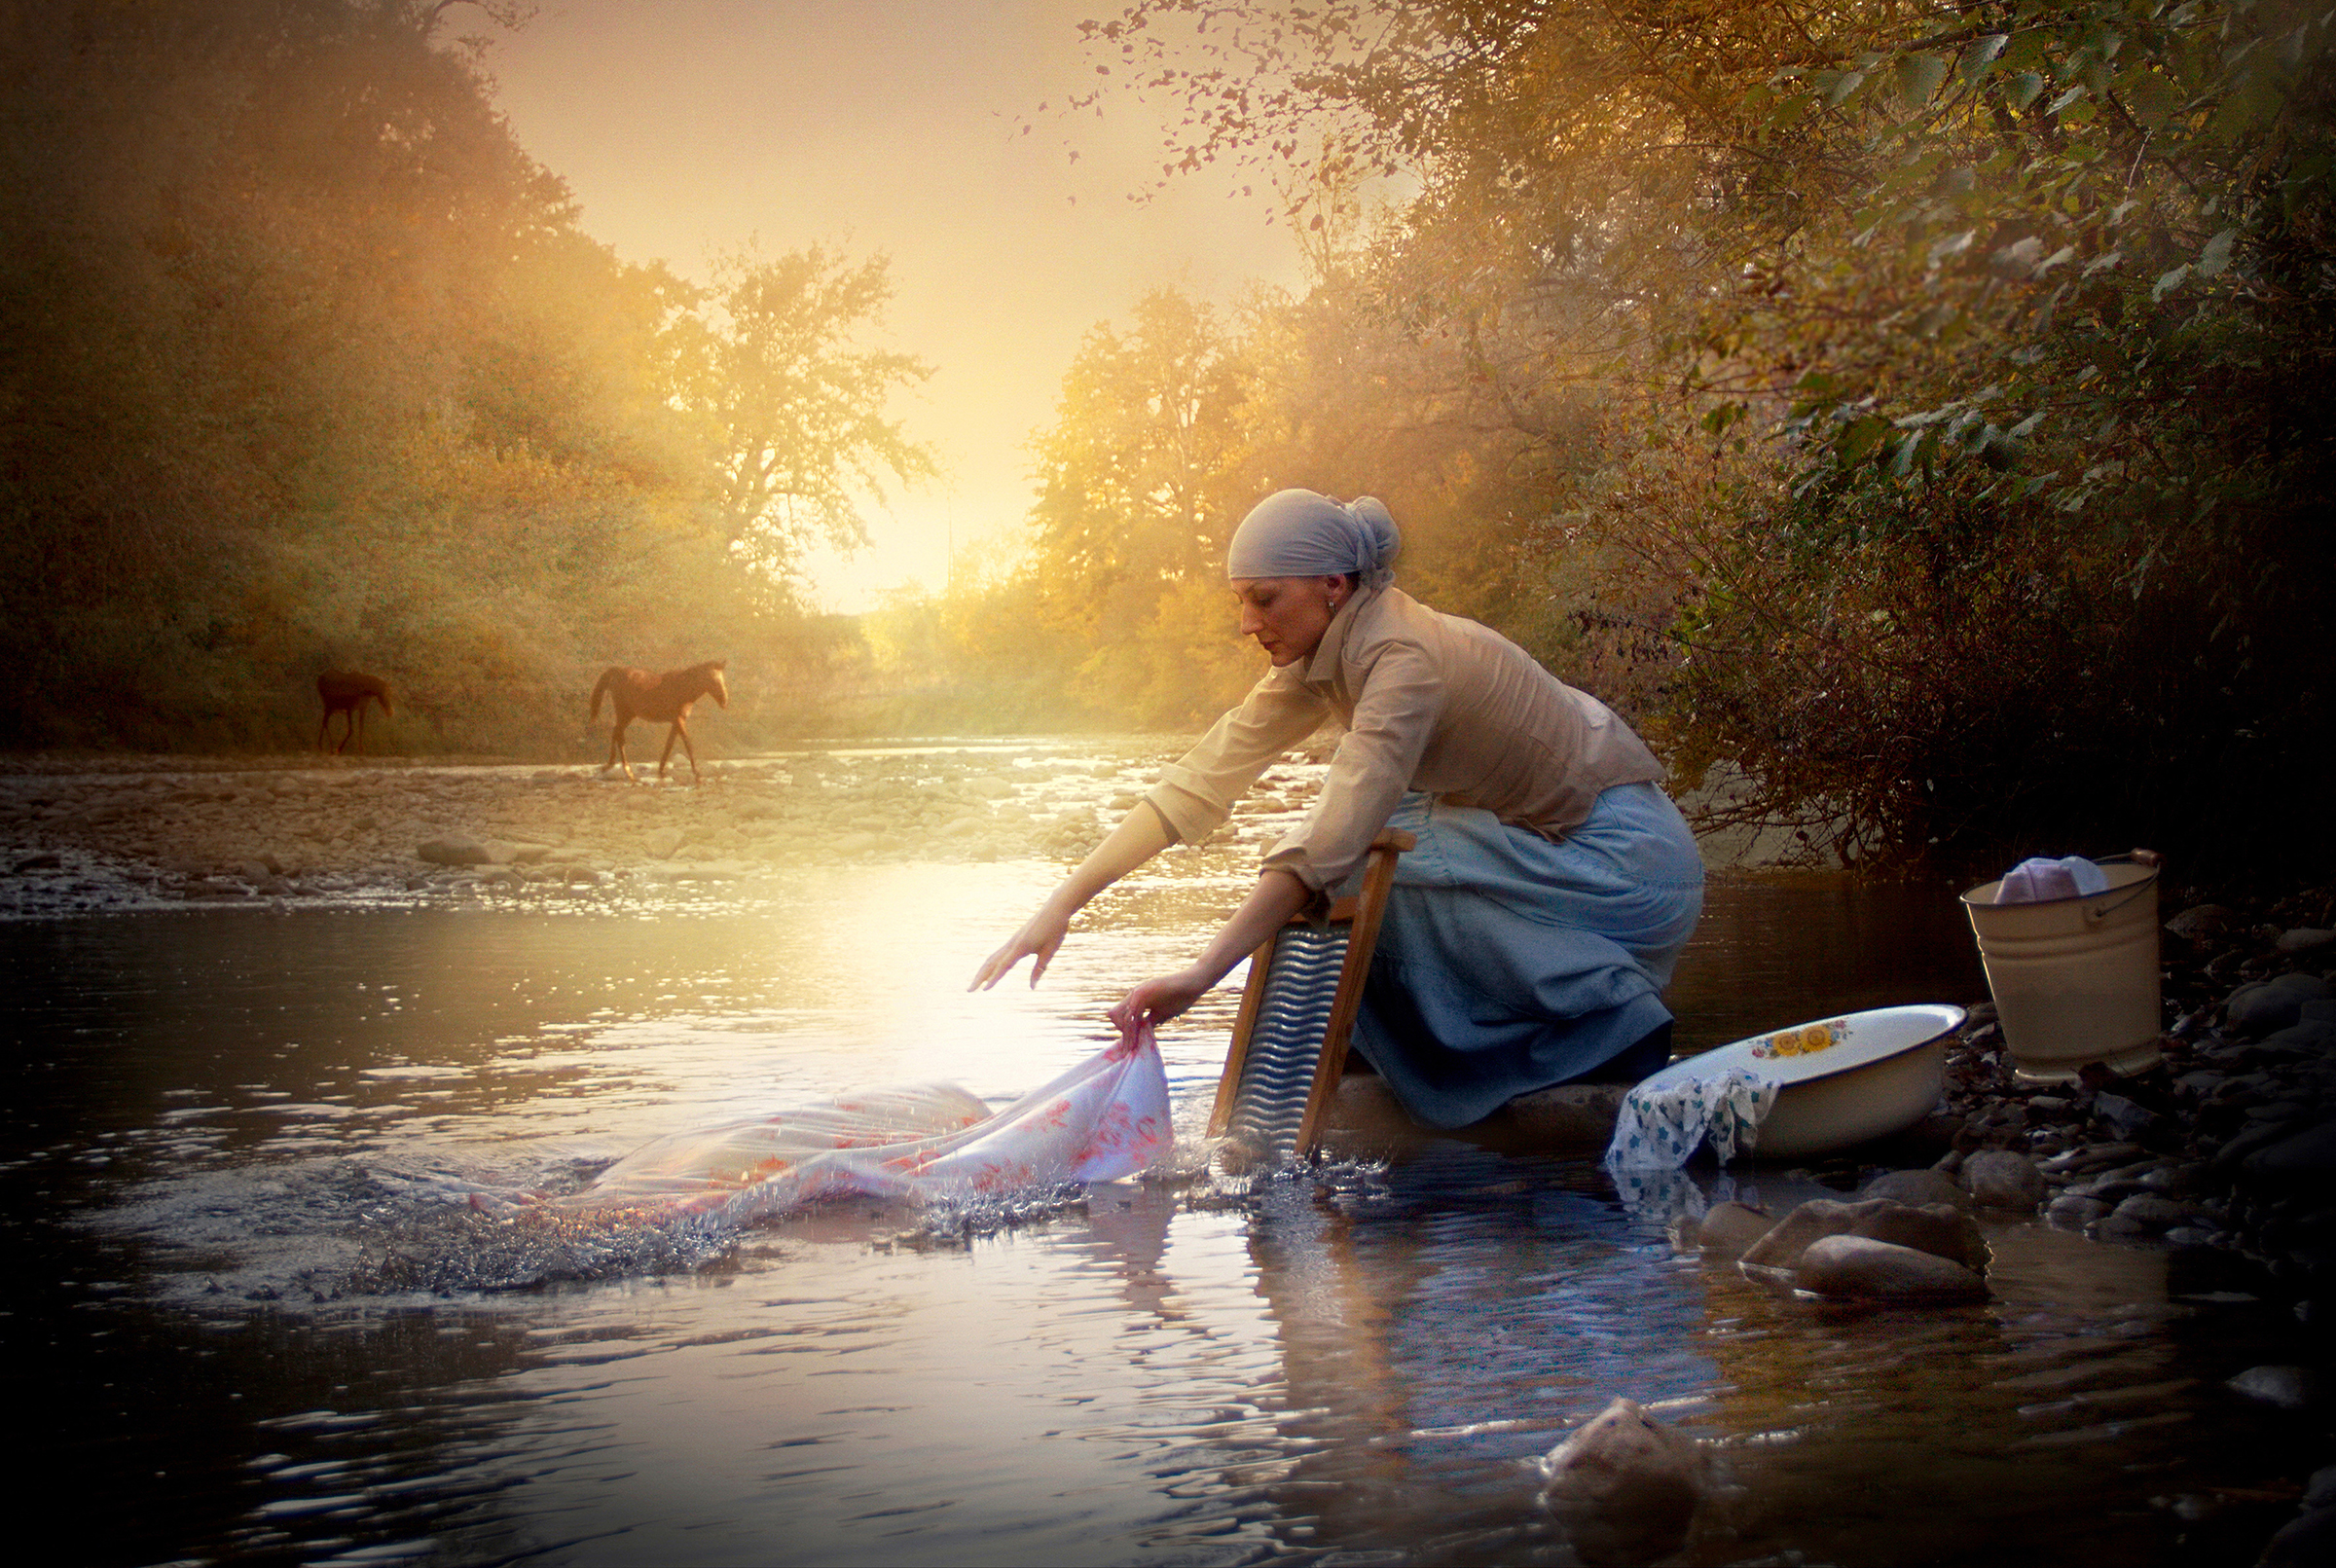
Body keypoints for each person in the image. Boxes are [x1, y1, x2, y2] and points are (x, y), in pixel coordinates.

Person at [969, 489, 1703, 1129]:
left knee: (1373, 845)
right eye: (1241, 601)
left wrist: (1201, 976)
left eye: (1264, 598)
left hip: (1625, 857)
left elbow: (1330, 840)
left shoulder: (1403, 658)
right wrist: (1061, 904)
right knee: (1372, 842)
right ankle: (1380, 1062)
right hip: (1542, 839)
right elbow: (1198, 783)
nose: (1249, 622)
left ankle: (1610, 1028)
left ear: (1331, 584)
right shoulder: (1323, 657)